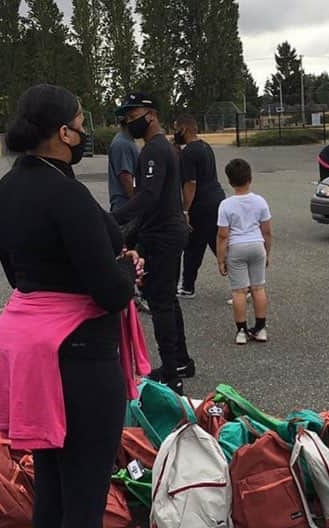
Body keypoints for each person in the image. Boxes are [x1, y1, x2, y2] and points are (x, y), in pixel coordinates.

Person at [0, 84, 167, 528]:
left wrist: (107, 265)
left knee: (54, 482)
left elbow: (21, 273)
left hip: (29, 346)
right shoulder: (64, 194)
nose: (85, 129)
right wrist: (125, 265)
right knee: (86, 491)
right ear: (63, 131)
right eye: (81, 121)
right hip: (78, 352)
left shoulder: (8, 187)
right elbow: (110, 290)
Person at [113, 93, 193, 393]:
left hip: (163, 235)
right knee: (168, 300)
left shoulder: (155, 151)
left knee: (160, 303)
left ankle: (171, 374)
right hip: (166, 230)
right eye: (126, 118)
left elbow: (148, 196)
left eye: (134, 116)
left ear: (152, 115)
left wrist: (115, 219)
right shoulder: (163, 148)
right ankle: (181, 360)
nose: (129, 122)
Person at [217, 158, 272, 344]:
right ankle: (261, 328)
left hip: (237, 247)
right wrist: (267, 252)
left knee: (239, 291)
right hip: (257, 245)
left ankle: (241, 331)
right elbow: (267, 231)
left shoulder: (226, 205)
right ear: (250, 178)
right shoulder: (260, 201)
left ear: (230, 181)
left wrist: (220, 259)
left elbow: (223, 235)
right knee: (258, 287)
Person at [174, 114, 226, 299]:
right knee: (214, 243)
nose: (174, 132)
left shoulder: (189, 152)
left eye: (176, 128)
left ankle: (187, 287)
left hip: (201, 205)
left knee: (193, 246)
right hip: (216, 199)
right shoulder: (204, 146)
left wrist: (185, 209)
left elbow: (190, 183)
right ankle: (245, 282)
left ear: (184, 129)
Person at [107, 96, 142, 211]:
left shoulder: (127, 140)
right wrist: (137, 204)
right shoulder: (122, 144)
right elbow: (125, 177)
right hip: (125, 206)